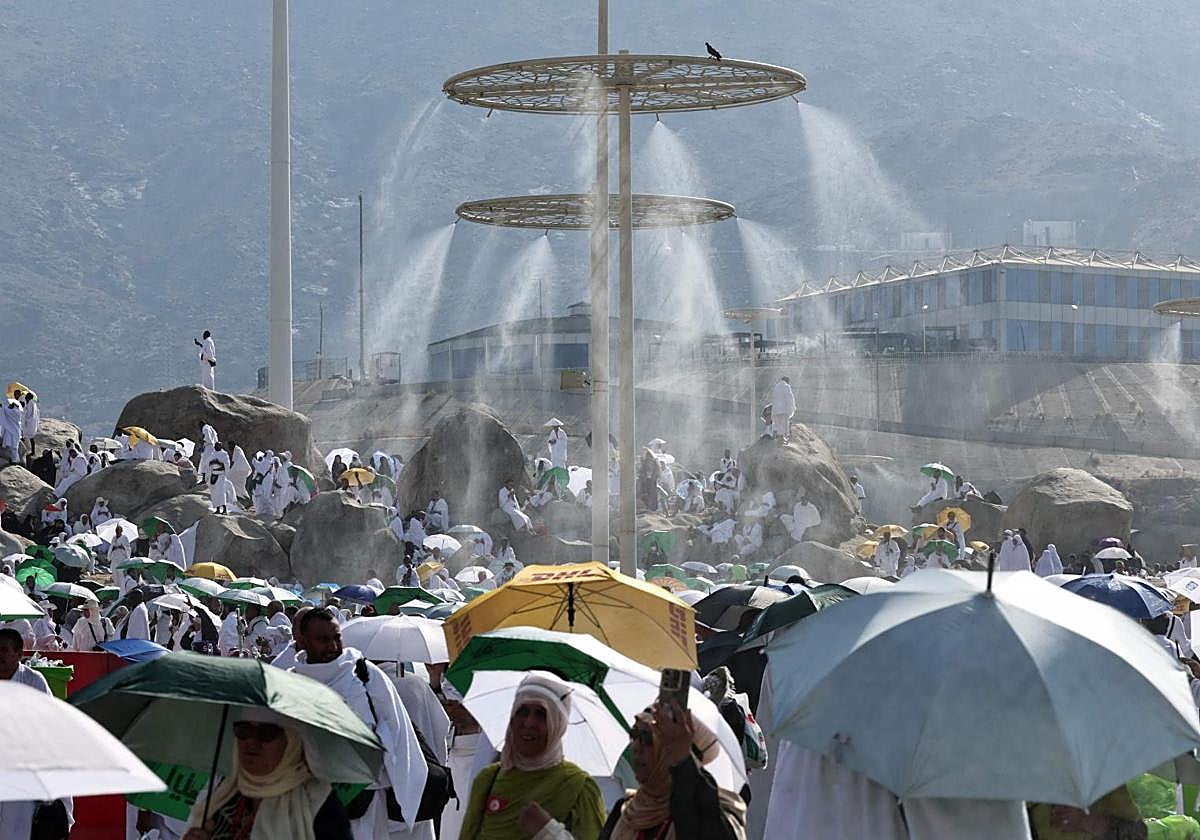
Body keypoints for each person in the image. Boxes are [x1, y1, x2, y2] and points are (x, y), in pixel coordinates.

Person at [290, 608, 429, 840]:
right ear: (302, 641)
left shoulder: (364, 674)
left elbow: (397, 729)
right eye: (323, 640)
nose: (333, 647)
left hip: (363, 798)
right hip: (310, 798)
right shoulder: (290, 681)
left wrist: (368, 741)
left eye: (337, 638)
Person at [459, 672, 606, 840]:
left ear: (558, 723)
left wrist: (549, 831)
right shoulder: (487, 779)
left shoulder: (579, 787)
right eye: (522, 711)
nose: (529, 723)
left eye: (541, 714)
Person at [182, 711, 353, 840]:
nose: (251, 742)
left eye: (266, 733)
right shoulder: (226, 793)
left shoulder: (317, 802)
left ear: (291, 742)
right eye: (243, 730)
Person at [769, 376, 796, 441]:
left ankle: (775, 434)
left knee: (776, 423)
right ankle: (781, 437)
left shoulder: (776, 387)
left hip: (775, 409)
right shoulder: (786, 386)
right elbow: (789, 398)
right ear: (787, 381)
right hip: (784, 409)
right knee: (783, 424)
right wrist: (792, 408)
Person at [0, 397, 23, 463]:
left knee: (14, 447)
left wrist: (2, 407)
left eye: (11, 404)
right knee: (13, 446)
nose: (9, 405)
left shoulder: (15, 412)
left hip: (12, 431)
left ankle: (14, 460)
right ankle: (15, 459)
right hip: (13, 431)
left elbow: (6, 410)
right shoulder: (17, 412)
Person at [20, 390, 39, 458]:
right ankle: (22, 450)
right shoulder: (22, 400)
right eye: (28, 396)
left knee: (31, 437)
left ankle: (33, 451)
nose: (28, 398)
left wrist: (28, 420)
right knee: (21, 435)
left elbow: (33, 414)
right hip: (23, 420)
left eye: (30, 397)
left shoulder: (33, 404)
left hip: (31, 422)